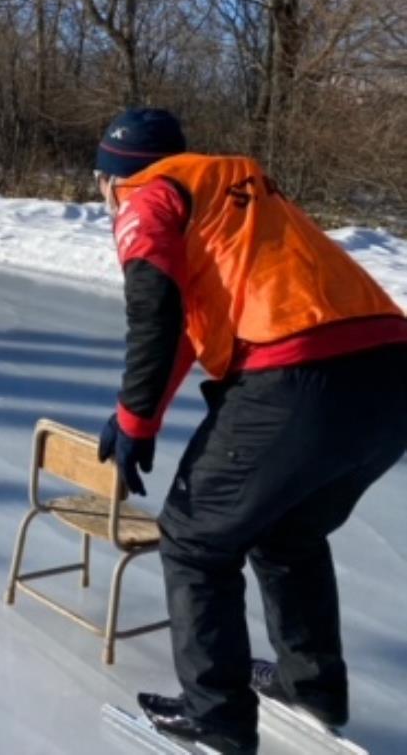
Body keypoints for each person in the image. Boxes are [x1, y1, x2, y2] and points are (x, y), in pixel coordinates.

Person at [90, 108, 407, 754]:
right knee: (286, 529)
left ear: (109, 175)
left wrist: (134, 418)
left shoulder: (142, 197)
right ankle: (309, 687)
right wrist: (136, 413)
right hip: (387, 371)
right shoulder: (225, 187)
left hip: (297, 374)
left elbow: (152, 305)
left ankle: (217, 719)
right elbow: (184, 321)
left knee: (191, 537)